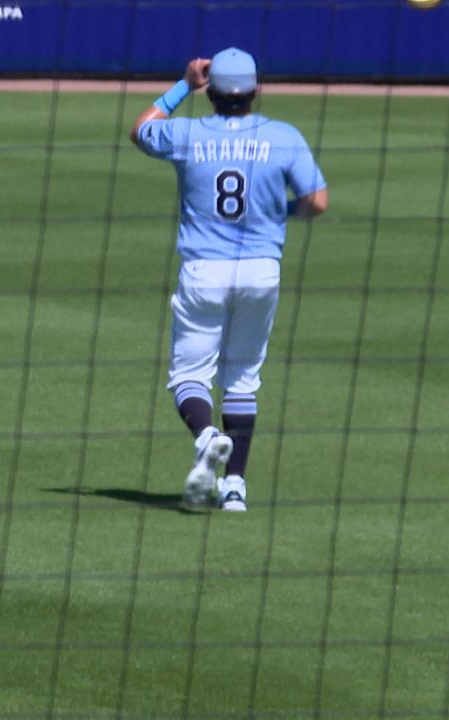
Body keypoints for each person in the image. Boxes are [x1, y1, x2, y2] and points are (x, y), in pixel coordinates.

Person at [131, 48, 328, 511]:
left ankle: (206, 436)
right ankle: (235, 487)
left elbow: (140, 130)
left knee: (188, 377)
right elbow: (317, 201)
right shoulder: (283, 136)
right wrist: (281, 210)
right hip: (262, 269)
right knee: (243, 378)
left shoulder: (187, 133)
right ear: (257, 92)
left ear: (212, 91)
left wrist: (183, 85)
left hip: (205, 269)